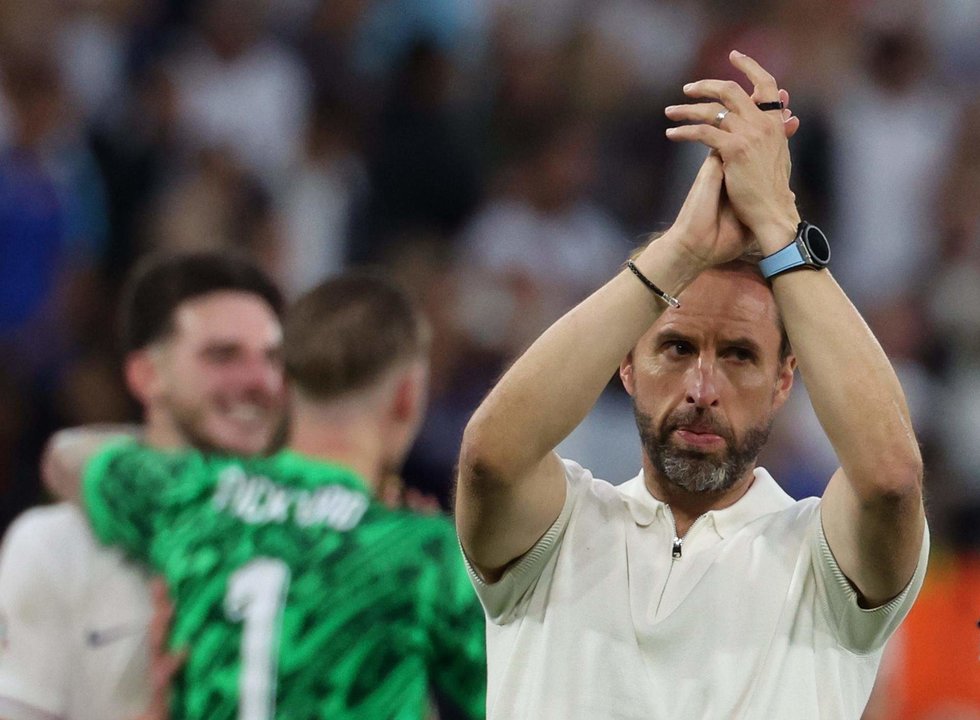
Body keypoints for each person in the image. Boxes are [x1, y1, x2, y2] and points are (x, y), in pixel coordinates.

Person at [455, 51, 928, 719]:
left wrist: (780, 230)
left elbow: (891, 477)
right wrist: (680, 247)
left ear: (784, 380)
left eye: (739, 355)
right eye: (675, 347)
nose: (702, 386)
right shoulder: (559, 529)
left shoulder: (820, 558)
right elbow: (488, 457)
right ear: (623, 364)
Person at [45, 272, 487, 719]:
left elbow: (66, 455)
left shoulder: (192, 493)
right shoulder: (422, 551)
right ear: (407, 396)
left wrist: (190, 469)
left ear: (283, 384)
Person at [0, 250, 287, 720]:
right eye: (223, 355)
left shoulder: (310, 541)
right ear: (146, 374)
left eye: (272, 358)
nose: (259, 380)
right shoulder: (53, 547)